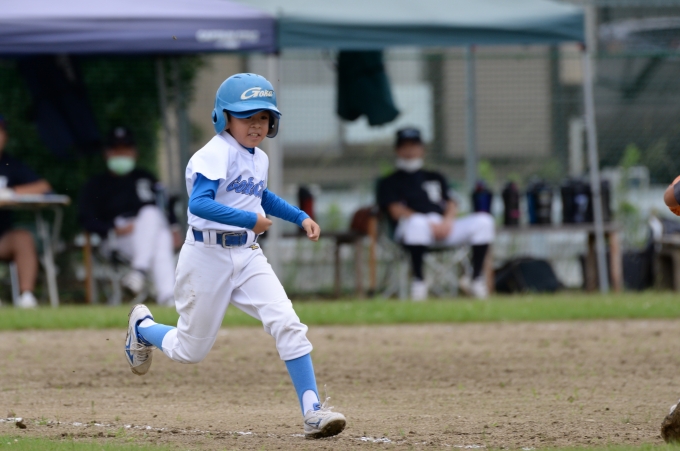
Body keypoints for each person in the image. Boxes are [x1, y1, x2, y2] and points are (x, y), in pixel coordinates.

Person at [123, 73, 347, 439]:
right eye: (246, 117)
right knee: (190, 350)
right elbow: (199, 203)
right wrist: (249, 220)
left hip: (247, 254)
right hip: (205, 256)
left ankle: (313, 412)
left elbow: (262, 196)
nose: (256, 125)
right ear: (223, 118)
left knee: (287, 322)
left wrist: (299, 216)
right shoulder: (215, 153)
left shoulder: (259, 158)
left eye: (263, 117)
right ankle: (143, 329)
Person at [377, 127, 495, 300]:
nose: (410, 150)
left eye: (414, 145)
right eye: (405, 146)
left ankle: (475, 279)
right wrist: (428, 223)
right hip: (411, 230)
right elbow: (395, 211)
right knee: (416, 223)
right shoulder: (389, 181)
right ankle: (419, 281)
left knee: (484, 220)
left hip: (443, 226)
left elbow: (452, 203)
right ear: (397, 150)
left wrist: (447, 221)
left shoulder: (435, 176)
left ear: (422, 149)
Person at [79, 127, 181, 306]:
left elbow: (165, 205)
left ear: (134, 152)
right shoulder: (96, 185)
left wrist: (174, 227)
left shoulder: (146, 177)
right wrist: (112, 229)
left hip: (148, 232)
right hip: (117, 238)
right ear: (107, 153)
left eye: (125, 149)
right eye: (116, 150)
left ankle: (142, 276)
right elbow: (86, 219)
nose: (121, 154)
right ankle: (166, 296)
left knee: (154, 220)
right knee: (159, 235)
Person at [0, 115, 52, 308]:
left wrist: (10, 193)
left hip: (2, 238)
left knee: (23, 238)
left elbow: (44, 187)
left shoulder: (10, 164)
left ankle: (26, 298)